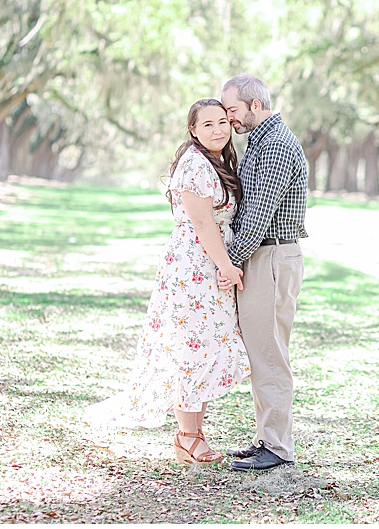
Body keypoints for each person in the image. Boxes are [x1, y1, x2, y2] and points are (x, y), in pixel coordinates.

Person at [84, 99, 250, 465]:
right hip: (195, 266)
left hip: (208, 262)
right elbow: (204, 224)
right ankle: (188, 437)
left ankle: (191, 436)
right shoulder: (194, 166)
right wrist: (227, 267)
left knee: (205, 346)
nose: (218, 130)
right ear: (192, 130)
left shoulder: (215, 162)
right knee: (192, 348)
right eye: (208, 124)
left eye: (222, 122)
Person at [217, 74, 308, 472]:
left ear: (255, 105)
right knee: (262, 352)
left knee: (270, 354)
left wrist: (231, 262)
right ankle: (267, 438)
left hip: (271, 257)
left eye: (233, 110)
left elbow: (256, 218)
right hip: (262, 255)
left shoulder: (275, 146)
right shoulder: (259, 142)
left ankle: (278, 446)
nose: (228, 119)